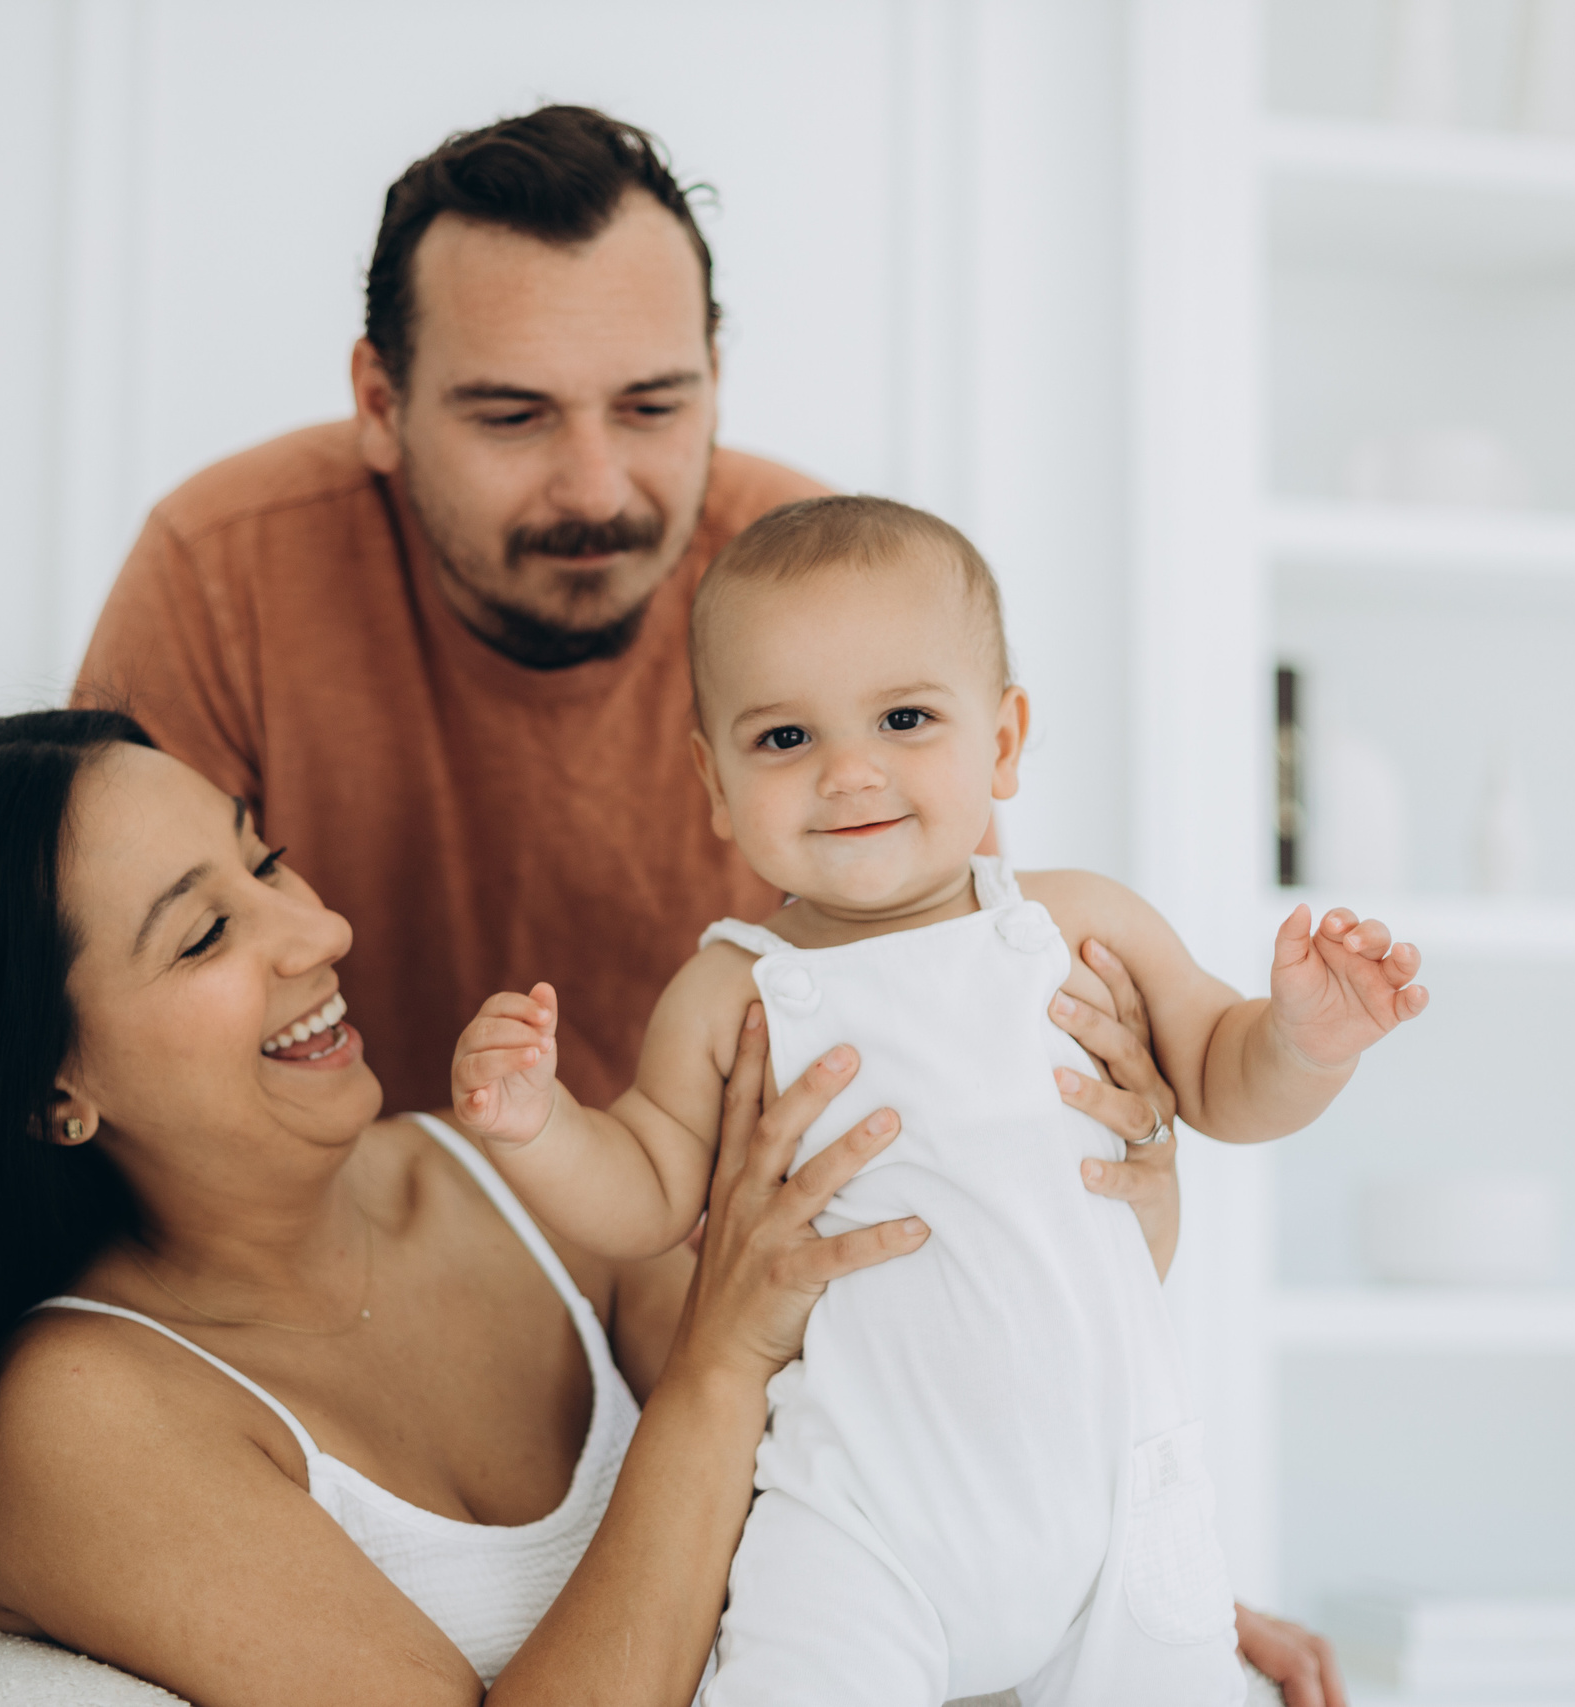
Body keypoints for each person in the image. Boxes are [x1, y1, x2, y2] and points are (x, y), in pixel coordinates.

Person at [67, 102, 1345, 1702]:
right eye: (513, 414)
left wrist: (1093, 1554)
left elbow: (972, 1060)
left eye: (656, 404)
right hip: (407, 1294)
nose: (598, 482)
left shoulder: (811, 596)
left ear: (719, 375)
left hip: (768, 1336)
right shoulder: (226, 567)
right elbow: (92, 999)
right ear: (380, 403)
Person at [0, 709, 1168, 1706]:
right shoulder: (86, 1414)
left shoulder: (506, 1181)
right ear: (47, 1086)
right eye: (206, 932)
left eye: (266, 859)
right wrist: (722, 1361)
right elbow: (743, 1383)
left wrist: (1115, 1198)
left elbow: (907, 1439)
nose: (319, 929)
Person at [450, 499, 1426, 1704]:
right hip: (858, 1514)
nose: (848, 771)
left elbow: (1225, 1080)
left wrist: (1302, 1041)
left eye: (905, 719)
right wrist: (541, 1124)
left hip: (1114, 1500)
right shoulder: (730, 989)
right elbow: (646, 1191)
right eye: (784, 738)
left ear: (1003, 740)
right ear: (713, 782)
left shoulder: (1079, 923)